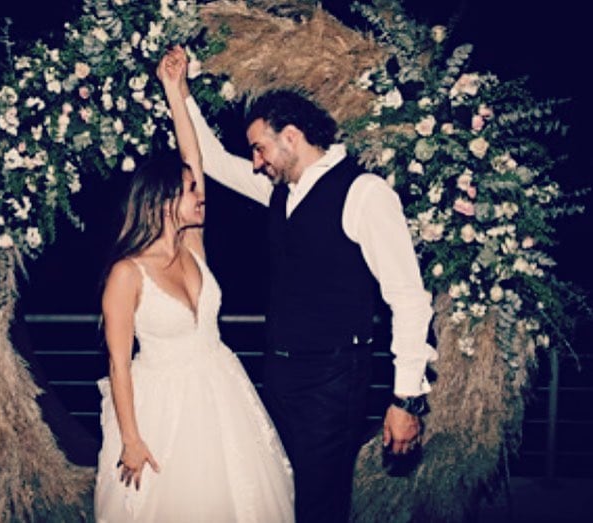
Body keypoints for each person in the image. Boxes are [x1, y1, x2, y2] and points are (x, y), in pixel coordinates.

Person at [172, 45, 438, 522]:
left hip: (333, 382)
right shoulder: (280, 191)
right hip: (278, 375)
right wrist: (181, 93)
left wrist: (405, 399)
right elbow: (211, 160)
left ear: (291, 137)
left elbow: (410, 301)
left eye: (260, 147)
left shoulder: (364, 193)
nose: (255, 161)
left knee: (318, 506)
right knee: (277, 494)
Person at [93, 52, 294, 522]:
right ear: (164, 200)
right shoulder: (127, 274)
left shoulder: (193, 247)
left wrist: (174, 90)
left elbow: (193, 158)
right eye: (190, 190)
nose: (200, 194)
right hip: (162, 407)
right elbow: (118, 367)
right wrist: (132, 440)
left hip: (221, 387)